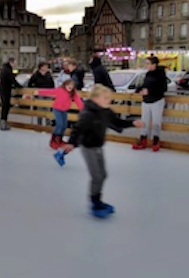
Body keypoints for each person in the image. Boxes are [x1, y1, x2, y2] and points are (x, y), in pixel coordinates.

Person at [61, 85, 143, 218]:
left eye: (109, 98)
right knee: (97, 176)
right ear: (95, 99)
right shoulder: (88, 114)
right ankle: (94, 202)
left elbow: (118, 122)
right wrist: (71, 143)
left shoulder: (106, 111)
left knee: (103, 175)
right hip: (88, 147)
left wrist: (132, 123)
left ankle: (98, 199)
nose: (109, 100)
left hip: (98, 147)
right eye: (105, 98)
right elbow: (78, 129)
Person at [34, 79, 84, 149]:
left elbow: (79, 102)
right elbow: (49, 91)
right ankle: (53, 141)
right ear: (65, 85)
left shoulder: (73, 93)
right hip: (57, 109)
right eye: (68, 85)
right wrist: (39, 92)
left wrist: (83, 110)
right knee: (60, 124)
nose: (70, 87)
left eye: (72, 86)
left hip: (64, 110)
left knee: (64, 125)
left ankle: (59, 140)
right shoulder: (60, 90)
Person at [132, 56, 167, 152]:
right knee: (144, 121)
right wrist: (139, 90)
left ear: (154, 64)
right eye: (146, 63)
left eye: (148, 63)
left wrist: (150, 91)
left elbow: (163, 88)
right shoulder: (147, 74)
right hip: (146, 101)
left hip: (157, 101)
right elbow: (145, 85)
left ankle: (156, 141)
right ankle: (143, 140)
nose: (146, 65)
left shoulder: (160, 75)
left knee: (156, 122)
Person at [0, 57, 22, 131]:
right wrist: (20, 86)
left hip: (3, 90)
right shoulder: (7, 70)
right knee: (5, 106)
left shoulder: (4, 68)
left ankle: (3, 123)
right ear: (11, 62)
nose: (15, 64)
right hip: (5, 91)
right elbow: (12, 79)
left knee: (5, 106)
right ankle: (3, 124)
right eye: (14, 62)